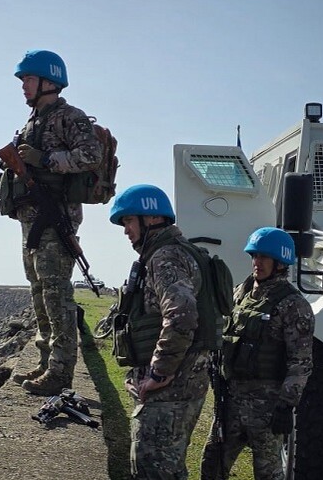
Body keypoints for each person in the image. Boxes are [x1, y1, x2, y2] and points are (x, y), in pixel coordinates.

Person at [6, 49, 103, 396]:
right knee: (38, 289)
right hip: (30, 219)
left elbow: (92, 155)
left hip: (56, 216)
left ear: (49, 82)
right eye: (23, 80)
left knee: (56, 293)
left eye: (28, 79)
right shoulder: (31, 122)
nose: (23, 86)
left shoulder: (69, 117)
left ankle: (61, 371)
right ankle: (46, 360)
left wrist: (47, 158)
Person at [109, 184, 210, 480]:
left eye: (129, 221)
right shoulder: (180, 251)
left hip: (171, 387)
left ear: (151, 218)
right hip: (186, 380)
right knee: (169, 466)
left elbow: (182, 314)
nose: (126, 230)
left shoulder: (165, 256)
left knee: (153, 468)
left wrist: (159, 373)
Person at [200, 227, 315, 480]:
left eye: (264, 257)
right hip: (230, 401)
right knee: (212, 464)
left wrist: (286, 406)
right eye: (254, 256)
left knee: (267, 473)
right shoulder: (240, 293)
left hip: (267, 407)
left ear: (281, 262)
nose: (257, 263)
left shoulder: (294, 305)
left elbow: (301, 362)